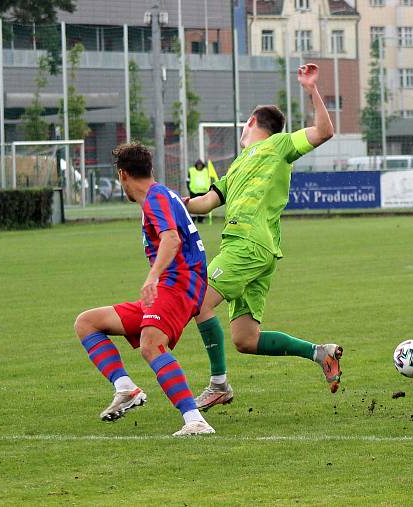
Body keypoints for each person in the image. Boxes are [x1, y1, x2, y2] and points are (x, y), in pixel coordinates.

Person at [184, 63, 340, 411]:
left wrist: (312, 90)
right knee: (245, 339)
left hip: (248, 244)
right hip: (258, 251)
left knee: (196, 300)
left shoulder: (280, 145)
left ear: (252, 122)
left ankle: (218, 384)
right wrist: (175, 204)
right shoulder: (236, 165)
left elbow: (324, 131)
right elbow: (207, 202)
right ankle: (320, 353)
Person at [74, 142, 214, 436]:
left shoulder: (155, 197)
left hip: (179, 284)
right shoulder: (161, 196)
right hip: (170, 286)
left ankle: (195, 421)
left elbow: (172, 239)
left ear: (123, 174)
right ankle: (125, 388)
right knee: (87, 323)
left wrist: (152, 276)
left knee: (151, 345)